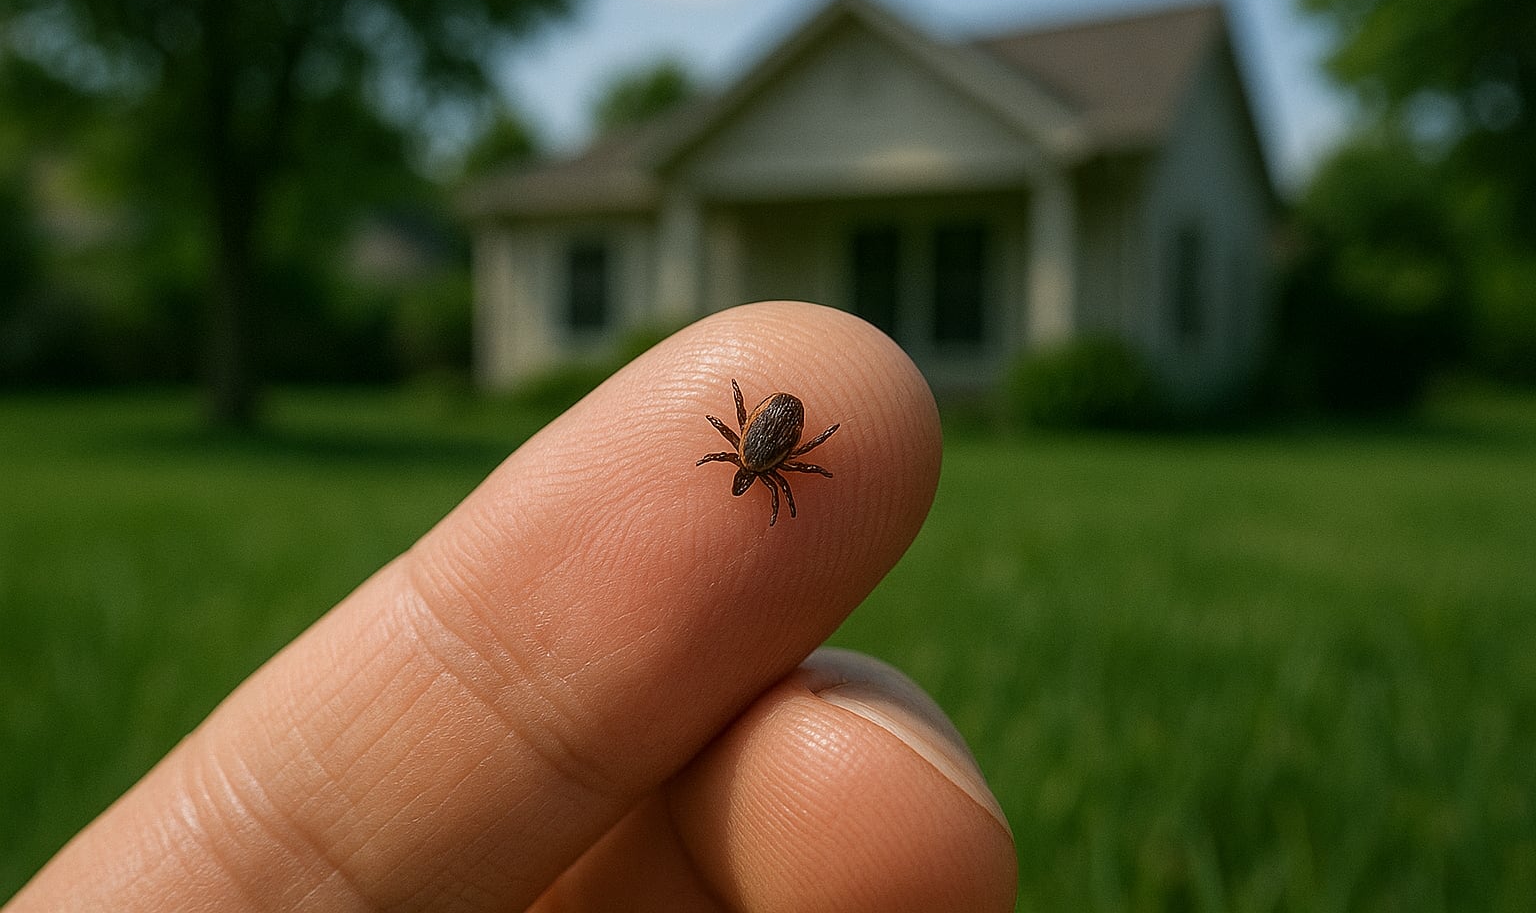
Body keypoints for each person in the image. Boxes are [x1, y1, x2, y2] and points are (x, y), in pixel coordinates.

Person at [7, 302, 1017, 912]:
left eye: (759, 459)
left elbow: (775, 447)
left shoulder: (751, 449)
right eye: (759, 457)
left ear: (756, 445)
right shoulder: (769, 454)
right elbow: (794, 452)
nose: (757, 466)